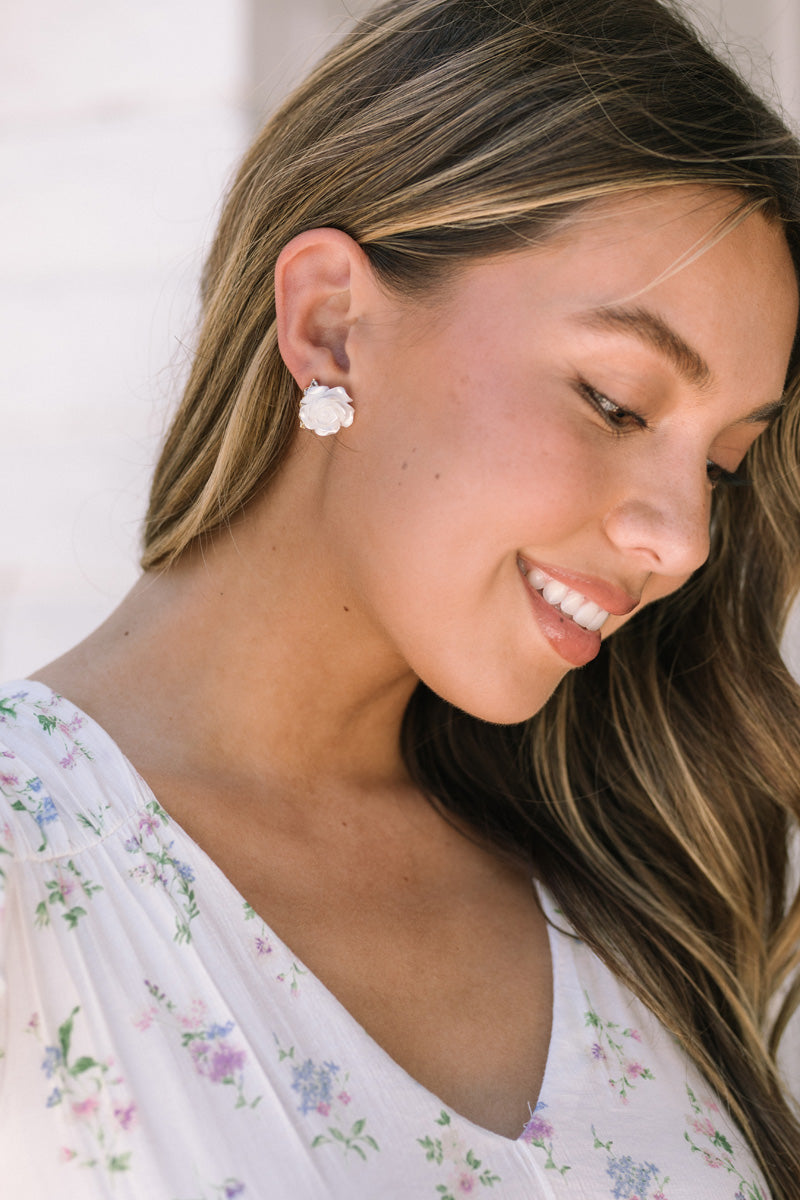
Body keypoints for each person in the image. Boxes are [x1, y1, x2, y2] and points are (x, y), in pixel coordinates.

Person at [2, 0, 800, 1195]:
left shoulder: (629, 880)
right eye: (616, 403)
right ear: (329, 328)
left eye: (720, 465)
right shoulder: (33, 871)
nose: (680, 540)